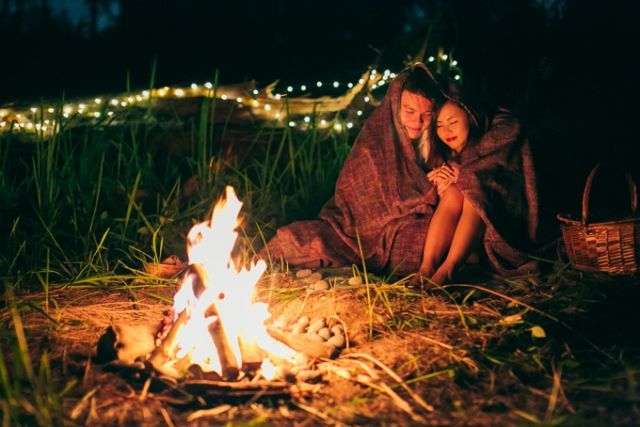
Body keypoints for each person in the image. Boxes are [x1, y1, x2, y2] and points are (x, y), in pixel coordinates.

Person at [263, 63, 538, 283]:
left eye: (426, 114)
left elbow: (500, 127)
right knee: (305, 240)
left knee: (458, 204)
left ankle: (446, 268)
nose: (417, 122)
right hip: (379, 222)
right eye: (408, 111)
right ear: (396, 105)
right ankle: (432, 266)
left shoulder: (444, 132)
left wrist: (461, 176)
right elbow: (362, 196)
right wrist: (431, 192)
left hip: (441, 210)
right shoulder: (376, 140)